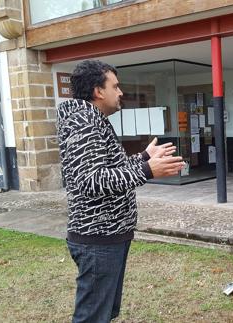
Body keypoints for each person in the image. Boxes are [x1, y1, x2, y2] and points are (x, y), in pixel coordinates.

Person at [56, 60, 184, 323]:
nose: (121, 92)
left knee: (104, 313)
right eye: (115, 86)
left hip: (109, 235)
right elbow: (91, 180)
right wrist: (148, 170)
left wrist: (144, 157)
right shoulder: (84, 122)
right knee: (93, 317)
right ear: (98, 91)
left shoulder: (93, 120)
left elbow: (108, 168)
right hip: (97, 238)